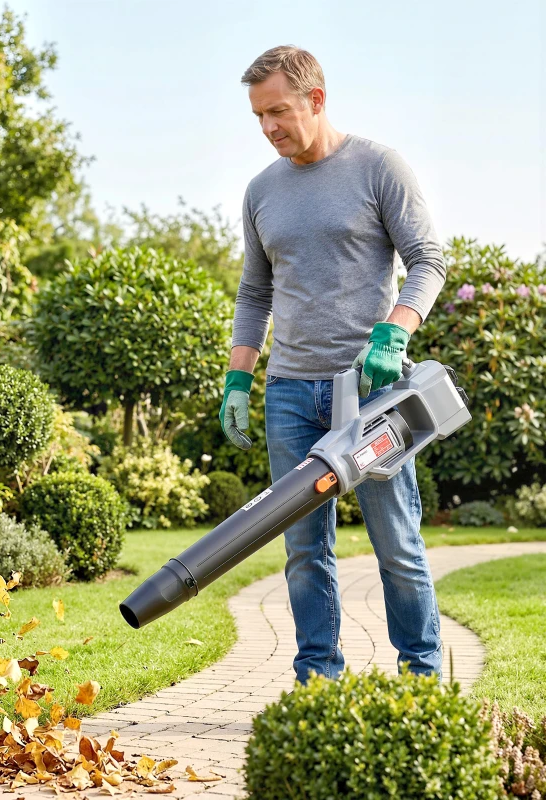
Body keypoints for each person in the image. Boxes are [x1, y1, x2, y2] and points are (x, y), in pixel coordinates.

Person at [219, 45, 446, 685]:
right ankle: (317, 680)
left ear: (316, 100)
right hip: (288, 390)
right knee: (301, 551)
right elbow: (254, 294)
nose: (269, 128)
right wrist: (240, 377)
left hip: (368, 392)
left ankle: (421, 681)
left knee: (396, 542)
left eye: (279, 112)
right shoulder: (261, 190)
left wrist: (394, 334)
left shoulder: (379, 167)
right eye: (259, 116)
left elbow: (428, 260)